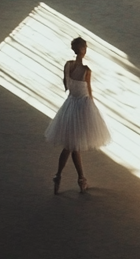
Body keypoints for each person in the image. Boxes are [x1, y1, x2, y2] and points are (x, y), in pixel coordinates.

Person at [45, 37, 112, 194]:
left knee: (71, 147)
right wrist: (93, 110)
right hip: (82, 108)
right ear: (84, 50)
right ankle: (76, 178)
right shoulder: (87, 70)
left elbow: (66, 86)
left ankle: (67, 177)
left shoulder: (68, 65)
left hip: (69, 106)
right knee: (72, 146)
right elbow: (89, 92)